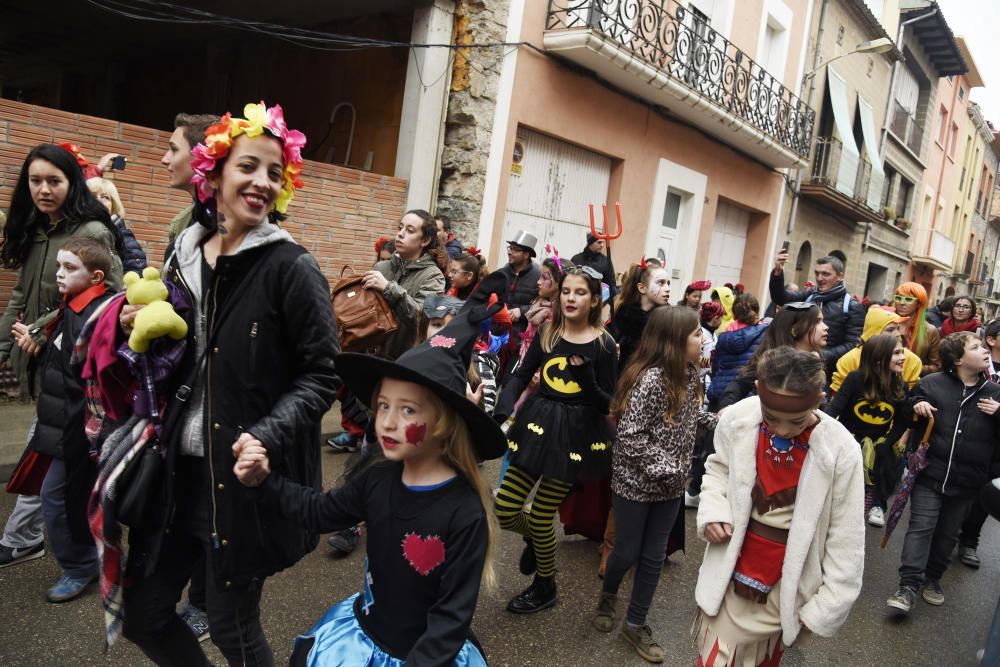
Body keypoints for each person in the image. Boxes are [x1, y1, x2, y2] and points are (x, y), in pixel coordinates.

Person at [114, 102, 339, 666]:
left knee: (232, 627)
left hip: (239, 477)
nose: (262, 181)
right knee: (144, 614)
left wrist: (267, 434)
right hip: (174, 470)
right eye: (247, 167)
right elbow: (179, 352)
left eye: (273, 172)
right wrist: (139, 329)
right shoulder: (182, 256)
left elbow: (322, 374)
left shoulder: (292, 267)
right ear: (212, 175)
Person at [233, 304, 507, 666]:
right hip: (359, 642)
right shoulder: (378, 475)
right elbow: (320, 512)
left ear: (444, 421)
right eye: (383, 406)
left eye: (407, 409)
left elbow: (449, 621)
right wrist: (264, 481)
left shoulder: (465, 513)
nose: (387, 422)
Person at [694, 348, 865, 665]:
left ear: (819, 399)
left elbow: (847, 534)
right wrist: (715, 511)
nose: (783, 430)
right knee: (717, 657)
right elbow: (718, 470)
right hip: (731, 565)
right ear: (759, 391)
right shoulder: (738, 419)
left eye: (796, 420)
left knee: (761, 659)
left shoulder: (841, 449)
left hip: (787, 584)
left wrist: (827, 605)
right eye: (772, 418)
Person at [0, 143, 124, 570]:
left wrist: (40, 329)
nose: (44, 189)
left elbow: (108, 296)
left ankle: (36, 542)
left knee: (50, 453)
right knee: (51, 454)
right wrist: (5, 351)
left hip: (74, 367)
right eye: (35, 180)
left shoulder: (90, 231)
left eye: (54, 180)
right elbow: (19, 297)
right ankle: (36, 535)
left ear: (73, 183)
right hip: (40, 362)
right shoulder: (38, 229)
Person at [593, 306, 717, 663]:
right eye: (696, 334)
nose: (702, 339)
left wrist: (717, 421)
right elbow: (630, 438)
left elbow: (689, 417)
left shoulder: (692, 374)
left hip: (671, 486)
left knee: (653, 556)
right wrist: (668, 468)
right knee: (626, 552)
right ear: (674, 341)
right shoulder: (651, 380)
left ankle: (635, 623)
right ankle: (608, 594)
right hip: (635, 483)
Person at [493, 266, 618, 613]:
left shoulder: (605, 344)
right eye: (566, 291)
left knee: (542, 512)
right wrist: (503, 407)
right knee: (505, 509)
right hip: (538, 425)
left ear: (595, 300)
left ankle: (545, 585)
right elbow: (519, 375)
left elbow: (610, 403)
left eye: (580, 293)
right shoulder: (549, 332)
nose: (570, 298)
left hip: (577, 437)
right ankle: (536, 537)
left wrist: (589, 381)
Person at [887, 332, 1000, 616]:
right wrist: (916, 407)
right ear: (959, 359)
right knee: (921, 527)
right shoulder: (931, 384)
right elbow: (906, 413)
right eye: (976, 346)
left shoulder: (995, 393)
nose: (985, 349)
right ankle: (908, 586)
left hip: (968, 481)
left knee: (948, 535)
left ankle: (933, 578)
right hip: (930, 474)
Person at [26, 238, 115, 602]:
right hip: (61, 423)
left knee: (58, 498)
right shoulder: (71, 308)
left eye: (69, 269)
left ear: (95, 276)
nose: (59, 275)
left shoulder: (95, 316)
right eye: (59, 267)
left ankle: (81, 567)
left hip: (77, 430)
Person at [825, 335, 913, 528]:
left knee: (870, 488)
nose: (903, 357)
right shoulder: (856, 379)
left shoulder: (901, 386)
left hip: (878, 447)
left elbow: (900, 422)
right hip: (849, 442)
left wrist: (887, 443)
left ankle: (862, 520)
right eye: (897, 353)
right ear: (879, 358)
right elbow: (835, 408)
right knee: (841, 494)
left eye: (902, 352)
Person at [363, 210, 446, 360]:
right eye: (400, 227)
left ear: (425, 241)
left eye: (410, 230)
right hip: (370, 356)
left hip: (403, 362)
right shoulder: (381, 267)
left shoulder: (434, 276)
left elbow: (423, 320)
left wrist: (388, 288)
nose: (400, 234)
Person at [714, 303, 829, 411]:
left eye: (823, 321)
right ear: (794, 330)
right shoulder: (771, 362)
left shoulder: (817, 360)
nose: (826, 327)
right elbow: (737, 385)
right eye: (817, 322)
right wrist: (726, 409)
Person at [770, 250, 865, 375]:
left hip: (829, 373)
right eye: (817, 273)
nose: (819, 278)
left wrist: (819, 356)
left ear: (840, 276)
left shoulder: (852, 307)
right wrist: (777, 272)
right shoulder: (810, 296)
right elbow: (781, 298)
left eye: (825, 274)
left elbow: (853, 345)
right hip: (800, 365)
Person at [955, 319, 1000, 569]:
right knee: (961, 489)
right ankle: (950, 533)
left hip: (997, 445)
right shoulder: (977, 365)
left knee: (987, 493)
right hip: (969, 436)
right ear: (991, 340)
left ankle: (970, 541)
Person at [830, 306, 922, 393]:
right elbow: (837, 397)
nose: (897, 334)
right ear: (873, 334)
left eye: (898, 329)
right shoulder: (850, 360)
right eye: (890, 330)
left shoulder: (912, 361)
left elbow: (911, 399)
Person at [161, 112, 222, 244]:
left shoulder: (239, 224)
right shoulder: (180, 223)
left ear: (202, 155)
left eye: (174, 149)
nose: (164, 159)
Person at [706, 294, 769, 407]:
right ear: (757, 311)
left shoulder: (724, 335)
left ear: (734, 313)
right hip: (747, 396)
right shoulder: (764, 335)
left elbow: (715, 366)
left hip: (719, 392)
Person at [610, 261, 671, 370]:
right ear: (642, 288)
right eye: (661, 283)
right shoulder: (623, 316)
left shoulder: (668, 319)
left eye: (668, 283)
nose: (667, 288)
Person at [86, 177, 147, 273]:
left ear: (113, 206)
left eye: (105, 197)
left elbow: (136, 273)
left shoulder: (123, 237)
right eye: (92, 196)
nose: (98, 201)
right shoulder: (71, 229)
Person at [499, 231, 541, 358]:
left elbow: (544, 305)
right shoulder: (502, 273)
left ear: (526, 254)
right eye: (510, 248)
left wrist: (521, 311)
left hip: (521, 341)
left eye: (515, 250)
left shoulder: (539, 276)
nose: (510, 252)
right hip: (498, 336)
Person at [893, 282, 941, 376]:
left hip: (913, 383)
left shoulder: (930, 331)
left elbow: (936, 366)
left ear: (919, 303)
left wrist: (912, 368)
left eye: (908, 299)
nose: (902, 303)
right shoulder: (887, 324)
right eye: (898, 298)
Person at [571, 232, 617, 304]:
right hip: (575, 299)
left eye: (603, 243)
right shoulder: (576, 259)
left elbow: (611, 284)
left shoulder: (606, 261)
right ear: (591, 243)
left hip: (596, 302)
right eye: (599, 242)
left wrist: (603, 301)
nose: (602, 245)